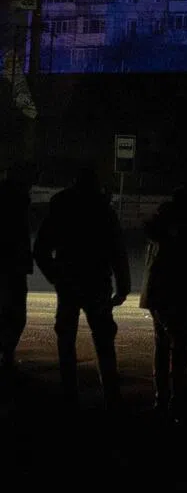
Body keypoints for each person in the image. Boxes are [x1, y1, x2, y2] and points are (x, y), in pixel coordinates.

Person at [33, 166, 130, 408]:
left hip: (68, 282)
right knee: (103, 339)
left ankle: (69, 395)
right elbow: (118, 252)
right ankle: (111, 394)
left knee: (66, 338)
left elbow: (41, 248)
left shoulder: (62, 211)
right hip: (97, 282)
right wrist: (123, 286)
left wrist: (55, 275)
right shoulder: (103, 211)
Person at [139, 186, 187, 420]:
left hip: (156, 296)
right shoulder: (184, 230)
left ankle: (163, 397)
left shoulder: (159, 228)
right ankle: (178, 398)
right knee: (180, 349)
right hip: (177, 297)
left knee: (162, 348)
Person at [0, 162, 37, 390]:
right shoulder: (19, 207)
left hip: (11, 267)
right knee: (14, 312)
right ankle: (7, 353)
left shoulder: (14, 204)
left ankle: (6, 353)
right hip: (14, 269)